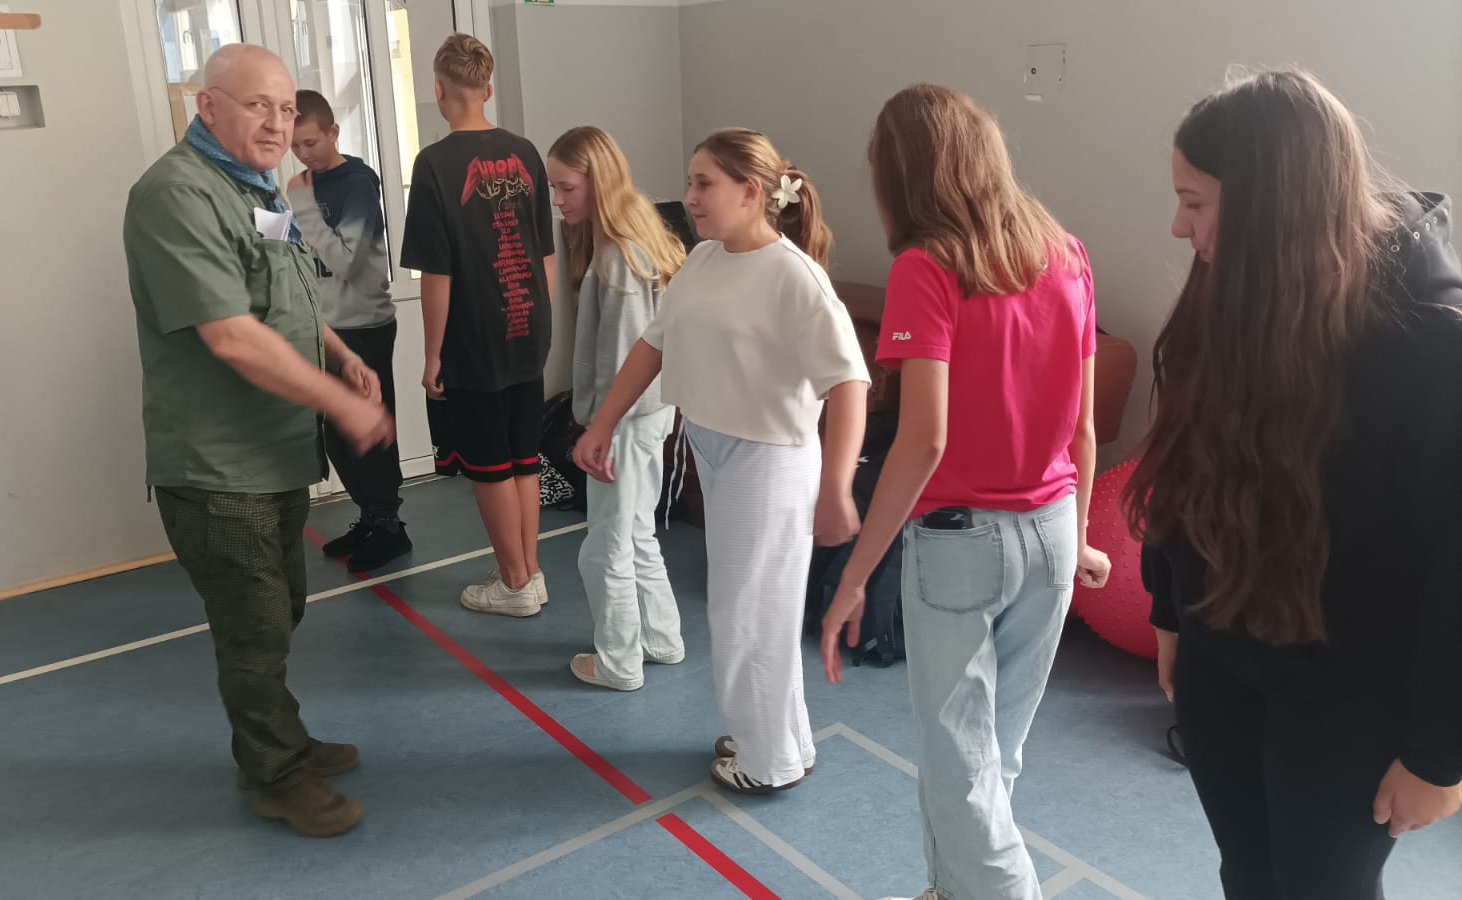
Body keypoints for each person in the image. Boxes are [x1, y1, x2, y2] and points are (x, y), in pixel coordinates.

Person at [1125, 68, 1462, 899]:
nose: (1179, 226)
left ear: (1273, 206)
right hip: (1222, 653)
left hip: (1352, 692)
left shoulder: (1433, 347)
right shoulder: (1232, 291)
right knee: (1249, 874)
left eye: (1196, 203)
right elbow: (1183, 461)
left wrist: (1438, 755)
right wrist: (1168, 610)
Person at [819, 85, 1109, 900]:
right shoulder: (1068, 254)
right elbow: (1084, 431)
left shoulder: (926, 267)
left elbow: (923, 441)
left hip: (961, 547)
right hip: (1052, 530)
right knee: (989, 757)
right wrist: (1081, 534)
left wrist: (853, 577)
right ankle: (953, 889)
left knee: (962, 764)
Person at [123, 44, 394, 837]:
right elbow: (233, 337)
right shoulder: (176, 195)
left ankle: (282, 739)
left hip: (274, 456)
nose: (277, 124)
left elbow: (292, 293)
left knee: (280, 614)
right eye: (257, 106)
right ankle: (274, 775)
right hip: (218, 468)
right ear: (207, 107)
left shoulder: (257, 187)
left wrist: (339, 356)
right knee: (254, 628)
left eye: (285, 108)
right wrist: (341, 407)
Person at [574, 128, 871, 794]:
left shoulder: (794, 276)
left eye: (704, 183)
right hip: (713, 449)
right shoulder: (703, 260)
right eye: (690, 182)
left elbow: (850, 382)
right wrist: (604, 422)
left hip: (769, 462)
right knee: (758, 612)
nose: (689, 197)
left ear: (751, 191)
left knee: (746, 617)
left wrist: (837, 486)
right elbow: (653, 345)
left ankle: (767, 764)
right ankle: (781, 739)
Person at [399, 33, 557, 617]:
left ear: (439, 91)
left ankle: (514, 583)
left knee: (490, 464)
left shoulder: (434, 164)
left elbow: (436, 274)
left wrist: (432, 355)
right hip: (527, 325)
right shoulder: (526, 152)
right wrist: (540, 321)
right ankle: (530, 571)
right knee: (523, 456)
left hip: (475, 336)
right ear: (488, 90)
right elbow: (545, 254)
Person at [547, 126, 688, 692]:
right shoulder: (637, 233)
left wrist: (599, 428)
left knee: (605, 548)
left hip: (625, 419)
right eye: (554, 188)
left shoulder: (618, 256)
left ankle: (619, 661)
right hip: (647, 415)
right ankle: (662, 638)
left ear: (598, 181)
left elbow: (627, 355)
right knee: (636, 532)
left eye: (567, 187)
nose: (558, 201)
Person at [287, 88, 412, 571]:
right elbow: (303, 251)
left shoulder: (357, 183)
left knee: (369, 430)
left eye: (311, 142)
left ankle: (390, 527)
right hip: (324, 328)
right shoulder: (306, 185)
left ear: (334, 132)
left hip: (363, 327)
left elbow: (345, 260)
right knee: (337, 433)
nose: (303, 154)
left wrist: (301, 208)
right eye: (295, 145)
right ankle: (370, 516)